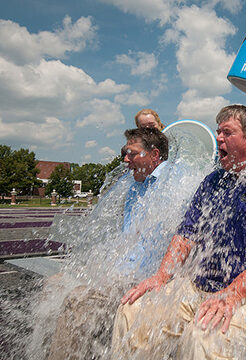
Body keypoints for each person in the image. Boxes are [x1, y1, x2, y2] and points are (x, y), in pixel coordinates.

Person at [111, 105, 246, 359]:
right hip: (202, 290)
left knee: (204, 335)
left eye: (227, 132)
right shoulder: (214, 181)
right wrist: (160, 277)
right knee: (133, 309)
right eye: (218, 132)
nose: (218, 138)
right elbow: (186, 234)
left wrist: (233, 294)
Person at [46, 127, 170, 360]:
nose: (125, 159)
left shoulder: (174, 179)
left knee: (79, 301)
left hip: (142, 280)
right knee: (53, 284)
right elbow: (127, 239)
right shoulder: (135, 186)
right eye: (125, 152)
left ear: (154, 155)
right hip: (119, 272)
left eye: (131, 153)